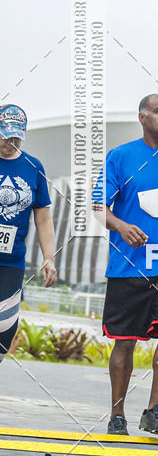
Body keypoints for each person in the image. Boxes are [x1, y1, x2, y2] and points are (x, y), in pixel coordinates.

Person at [93, 94, 158, 436]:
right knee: (124, 342)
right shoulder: (120, 157)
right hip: (128, 267)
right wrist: (121, 226)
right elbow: (98, 206)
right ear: (142, 117)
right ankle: (117, 414)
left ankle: (153, 410)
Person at [0, 104, 56, 363]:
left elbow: (43, 218)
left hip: (11, 261)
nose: (10, 141)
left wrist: (49, 257)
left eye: (15, 135)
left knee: (5, 328)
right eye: (4, 134)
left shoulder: (33, 166)